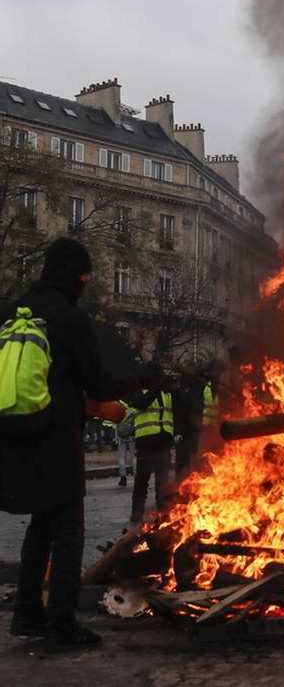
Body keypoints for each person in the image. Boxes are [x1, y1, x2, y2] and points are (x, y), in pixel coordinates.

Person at [0, 237, 160, 650]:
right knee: (69, 531)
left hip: (21, 434)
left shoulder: (20, 313)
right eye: (85, 277)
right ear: (75, 276)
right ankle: (62, 623)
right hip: (57, 438)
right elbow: (99, 383)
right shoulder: (68, 319)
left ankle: (27, 615)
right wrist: (142, 379)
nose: (85, 284)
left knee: (40, 527)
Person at [130, 374, 175, 523]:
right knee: (142, 481)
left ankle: (163, 512)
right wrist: (157, 389)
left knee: (162, 482)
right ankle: (137, 514)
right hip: (146, 445)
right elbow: (142, 403)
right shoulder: (137, 393)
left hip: (163, 444)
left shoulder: (165, 394)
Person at [116, 402, 137, 487]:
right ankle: (136, 476)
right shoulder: (133, 411)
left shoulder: (119, 410)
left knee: (121, 457)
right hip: (132, 436)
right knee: (134, 456)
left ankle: (123, 477)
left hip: (121, 437)